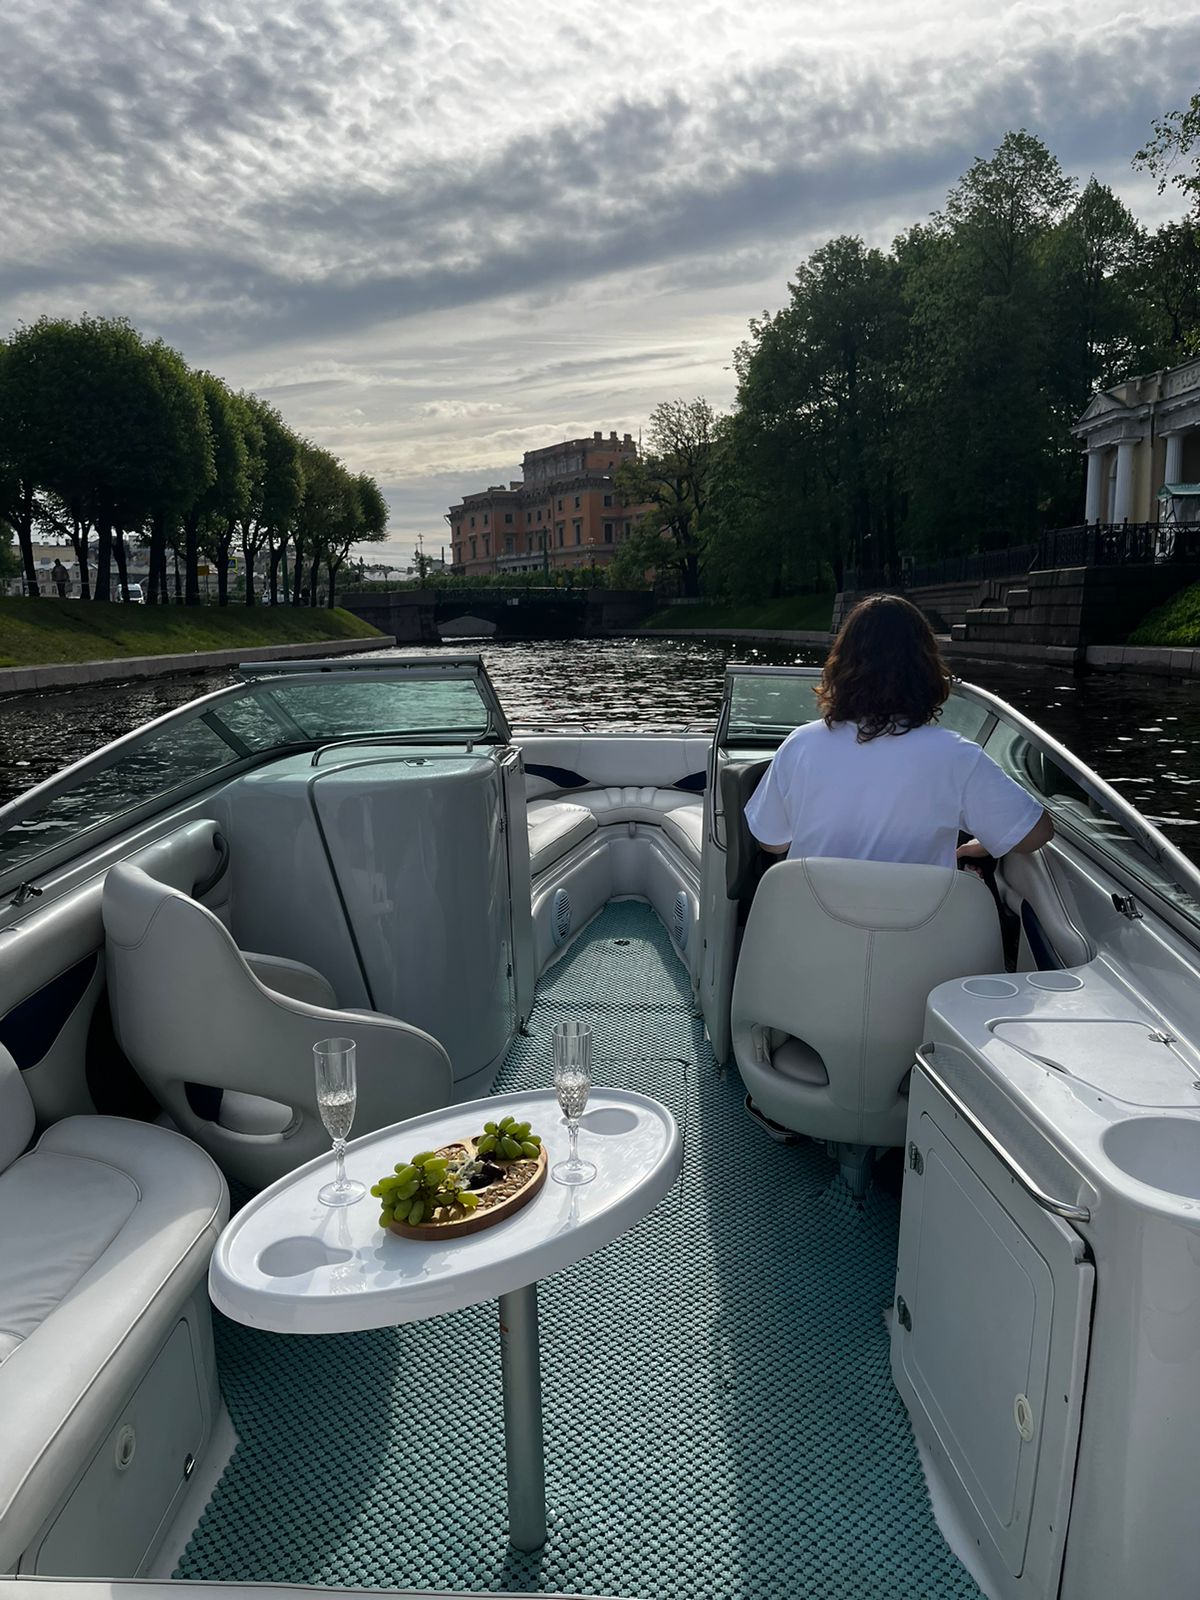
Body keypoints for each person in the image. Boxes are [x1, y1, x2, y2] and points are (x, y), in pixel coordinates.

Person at [745, 593, 1053, 868]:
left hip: (813, 915)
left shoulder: (801, 745)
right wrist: (984, 843)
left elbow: (772, 841)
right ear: (926, 670)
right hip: (922, 917)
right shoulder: (957, 756)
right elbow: (1036, 833)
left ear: (841, 666)